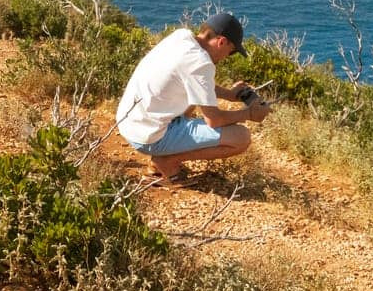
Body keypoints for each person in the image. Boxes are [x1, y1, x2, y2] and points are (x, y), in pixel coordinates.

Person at [115, 11, 269, 184]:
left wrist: (228, 94)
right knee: (241, 137)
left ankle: (162, 158)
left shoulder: (181, 37)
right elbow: (215, 120)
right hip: (148, 136)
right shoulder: (201, 63)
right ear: (221, 41)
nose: (227, 57)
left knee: (193, 100)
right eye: (231, 51)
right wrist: (249, 114)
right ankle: (167, 161)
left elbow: (191, 81)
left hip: (130, 122)